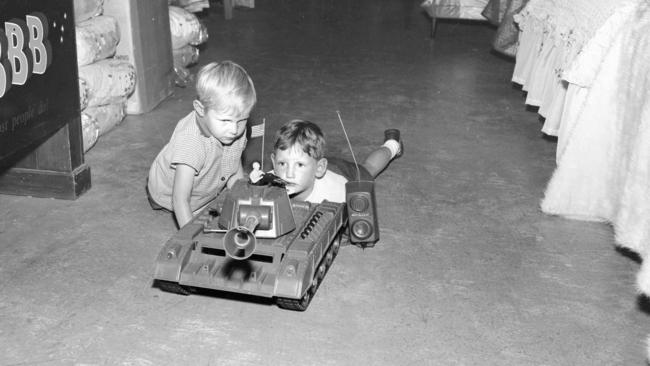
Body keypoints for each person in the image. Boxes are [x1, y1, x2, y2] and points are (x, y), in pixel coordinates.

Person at [147, 61, 257, 228]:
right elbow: (180, 198)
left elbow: (235, 169)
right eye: (225, 120)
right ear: (200, 110)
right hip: (167, 194)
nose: (234, 129)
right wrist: (191, 237)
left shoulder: (232, 129)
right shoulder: (192, 141)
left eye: (242, 120)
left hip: (206, 190)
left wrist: (244, 202)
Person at [267, 119, 402, 203]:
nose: (289, 174)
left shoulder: (338, 194)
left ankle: (393, 144)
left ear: (319, 168)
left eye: (299, 165)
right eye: (282, 163)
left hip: (341, 173)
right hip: (315, 165)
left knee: (369, 168)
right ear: (274, 163)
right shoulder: (266, 184)